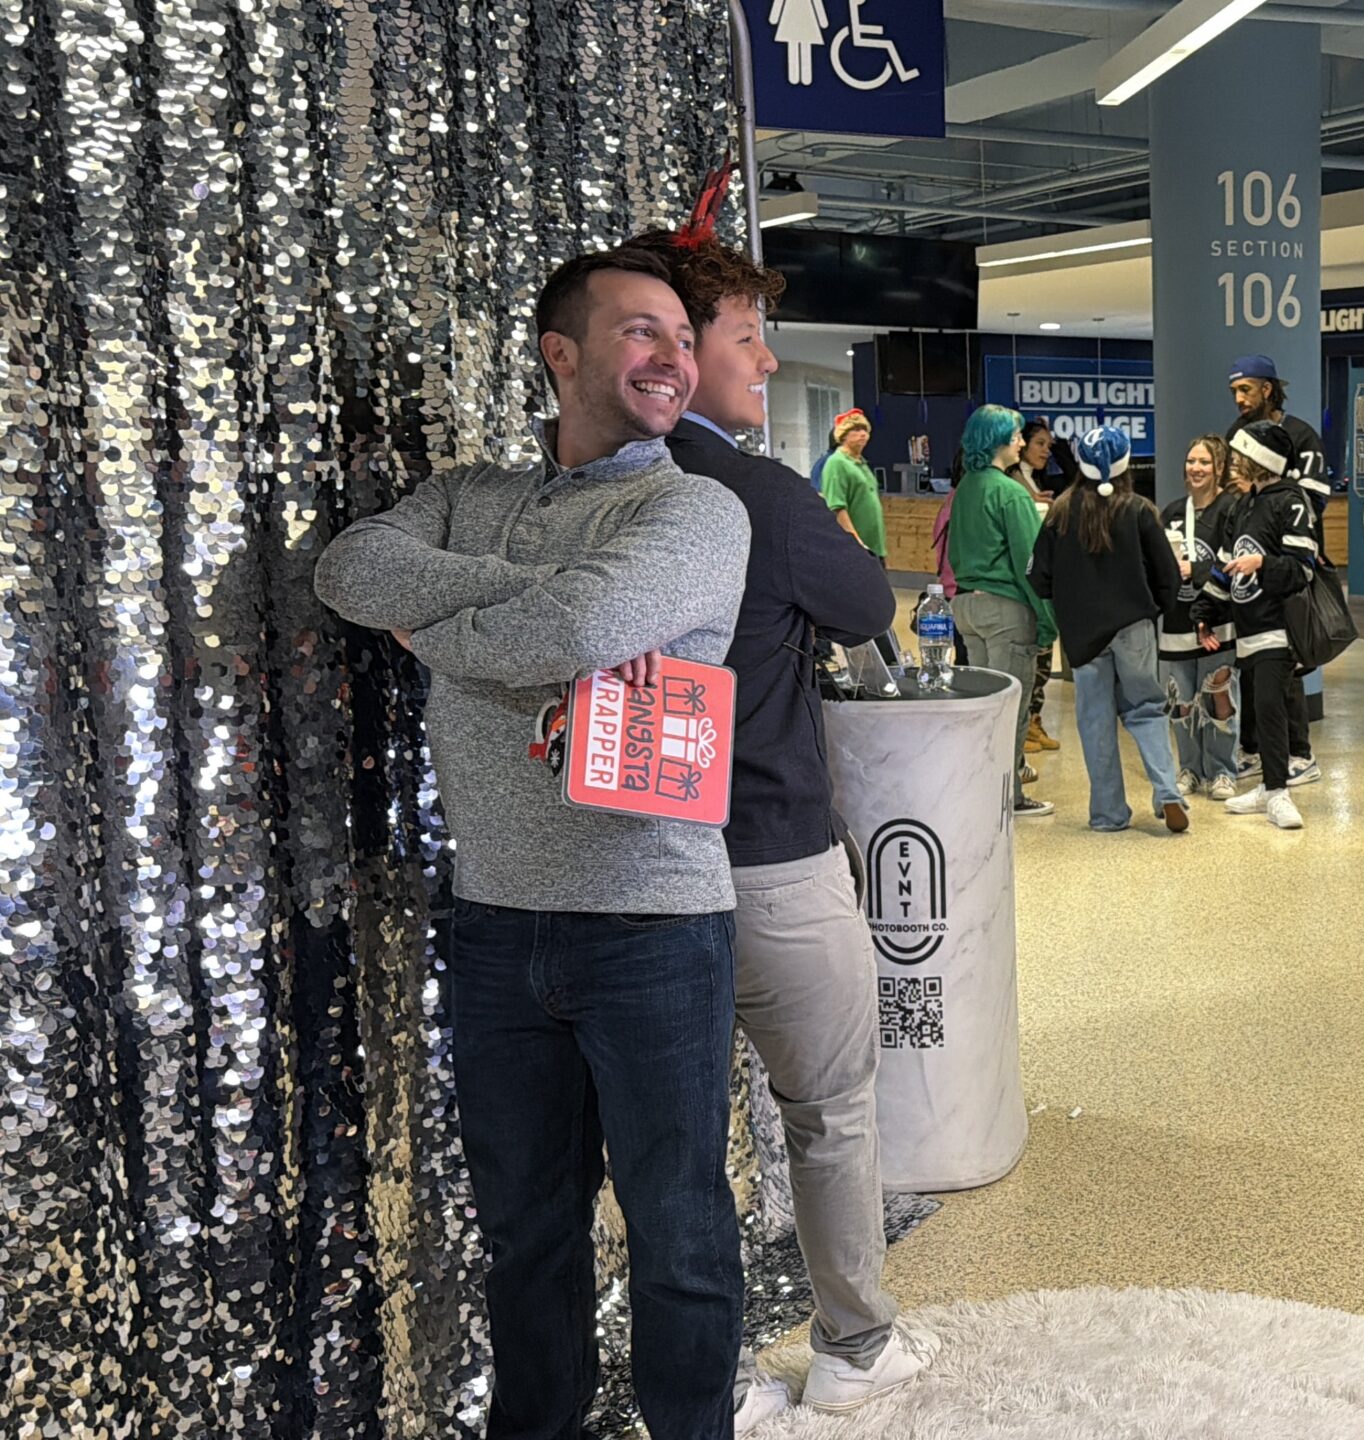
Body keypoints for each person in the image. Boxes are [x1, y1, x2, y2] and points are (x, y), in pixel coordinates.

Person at [313, 247, 753, 1440]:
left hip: (655, 922)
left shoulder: (693, 508)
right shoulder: (470, 491)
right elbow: (350, 568)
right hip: (496, 920)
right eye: (642, 331)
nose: (674, 358)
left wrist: (439, 628)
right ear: (561, 353)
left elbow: (582, 621)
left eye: (683, 337)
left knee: (679, 1235)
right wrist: (529, 595)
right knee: (525, 1233)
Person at [631, 229, 929, 1426]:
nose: (765, 361)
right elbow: (862, 603)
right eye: (748, 338)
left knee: (671, 1143)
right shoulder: (759, 494)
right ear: (677, 350)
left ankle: (707, 1381)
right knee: (831, 1111)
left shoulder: (586, 493)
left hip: (638, 868)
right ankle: (855, 1346)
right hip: (770, 858)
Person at [1030, 426, 1189, 834]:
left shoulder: (1060, 512)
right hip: (1134, 627)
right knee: (1146, 709)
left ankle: (1108, 813)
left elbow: (1039, 577)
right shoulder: (1139, 510)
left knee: (1095, 721)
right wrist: (1155, 609)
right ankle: (1167, 791)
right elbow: (1168, 575)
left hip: (1083, 636)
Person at [1196, 419, 1322, 830]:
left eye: (1240, 455)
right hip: (1247, 629)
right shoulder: (1243, 505)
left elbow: (1302, 569)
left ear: (1260, 458)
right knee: (1257, 707)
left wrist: (1262, 564)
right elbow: (1223, 565)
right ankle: (1269, 786)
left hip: (1278, 627)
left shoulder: (1291, 501)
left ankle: (1279, 792)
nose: (1233, 462)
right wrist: (1205, 611)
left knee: (1270, 708)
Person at [949, 403, 1058, 816]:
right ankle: (1010, 796)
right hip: (1006, 611)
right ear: (997, 441)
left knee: (984, 709)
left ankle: (982, 792)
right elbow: (1030, 564)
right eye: (1014, 436)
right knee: (1011, 710)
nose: (1020, 443)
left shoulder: (965, 488)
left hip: (967, 607)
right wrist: (1047, 621)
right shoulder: (1010, 493)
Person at [1225, 356, 1329, 786]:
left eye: (1245, 390)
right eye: (1234, 391)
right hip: (1247, 567)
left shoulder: (1301, 434)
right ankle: (1254, 750)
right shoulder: (1236, 432)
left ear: (1268, 389)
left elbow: (1313, 498)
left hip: (1287, 564)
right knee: (1253, 666)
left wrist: (1277, 532)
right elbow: (1233, 494)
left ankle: (1299, 753)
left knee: (1285, 664)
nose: (1239, 399)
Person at [1161, 434, 1245, 802]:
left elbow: (1235, 561)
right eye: (1191, 461)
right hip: (1177, 622)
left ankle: (1223, 770)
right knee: (1181, 698)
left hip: (1218, 619)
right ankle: (1189, 769)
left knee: (1218, 693)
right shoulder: (1172, 512)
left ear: (1219, 468)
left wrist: (1194, 569)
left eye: (1204, 462)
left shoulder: (1231, 509)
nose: (1196, 468)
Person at [1008, 419, 1064, 751]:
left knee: (1044, 648)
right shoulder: (1013, 483)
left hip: (1043, 574)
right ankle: (1024, 724)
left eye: (1049, 446)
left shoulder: (1034, 481)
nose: (1046, 451)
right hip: (1026, 579)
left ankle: (1034, 719)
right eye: (1039, 444)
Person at [820, 408, 886, 556]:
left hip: (874, 547)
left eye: (865, 429)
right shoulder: (837, 463)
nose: (863, 434)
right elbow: (837, 507)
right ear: (843, 435)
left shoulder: (861, 463)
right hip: (854, 550)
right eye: (856, 430)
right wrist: (856, 543)